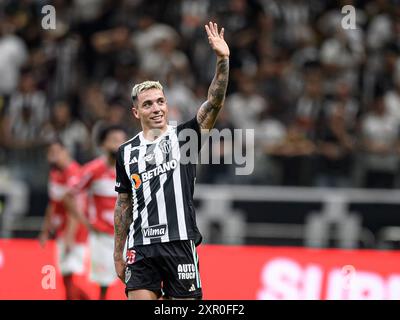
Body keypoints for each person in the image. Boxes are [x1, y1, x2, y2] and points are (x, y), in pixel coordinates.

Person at [113, 21, 230, 300]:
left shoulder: (186, 136)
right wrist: (118, 251)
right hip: (141, 247)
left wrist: (223, 61)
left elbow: (214, 103)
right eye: (148, 104)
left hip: (179, 244)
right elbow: (123, 204)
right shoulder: (126, 151)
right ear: (135, 112)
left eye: (160, 101)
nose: (156, 108)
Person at [67, 125, 127, 299]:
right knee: (103, 286)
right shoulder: (93, 169)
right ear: (102, 144)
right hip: (101, 237)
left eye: (121, 140)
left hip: (126, 237)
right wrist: (85, 222)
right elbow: (69, 194)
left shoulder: (130, 169)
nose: (118, 145)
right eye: (114, 140)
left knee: (134, 282)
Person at [39, 139, 89, 300]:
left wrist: (70, 237)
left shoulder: (74, 173)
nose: (52, 156)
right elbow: (52, 204)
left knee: (72, 277)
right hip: (62, 232)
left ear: (65, 152)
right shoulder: (55, 173)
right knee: (66, 278)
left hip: (76, 234)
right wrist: (45, 231)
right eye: (50, 153)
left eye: (56, 152)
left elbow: (75, 209)